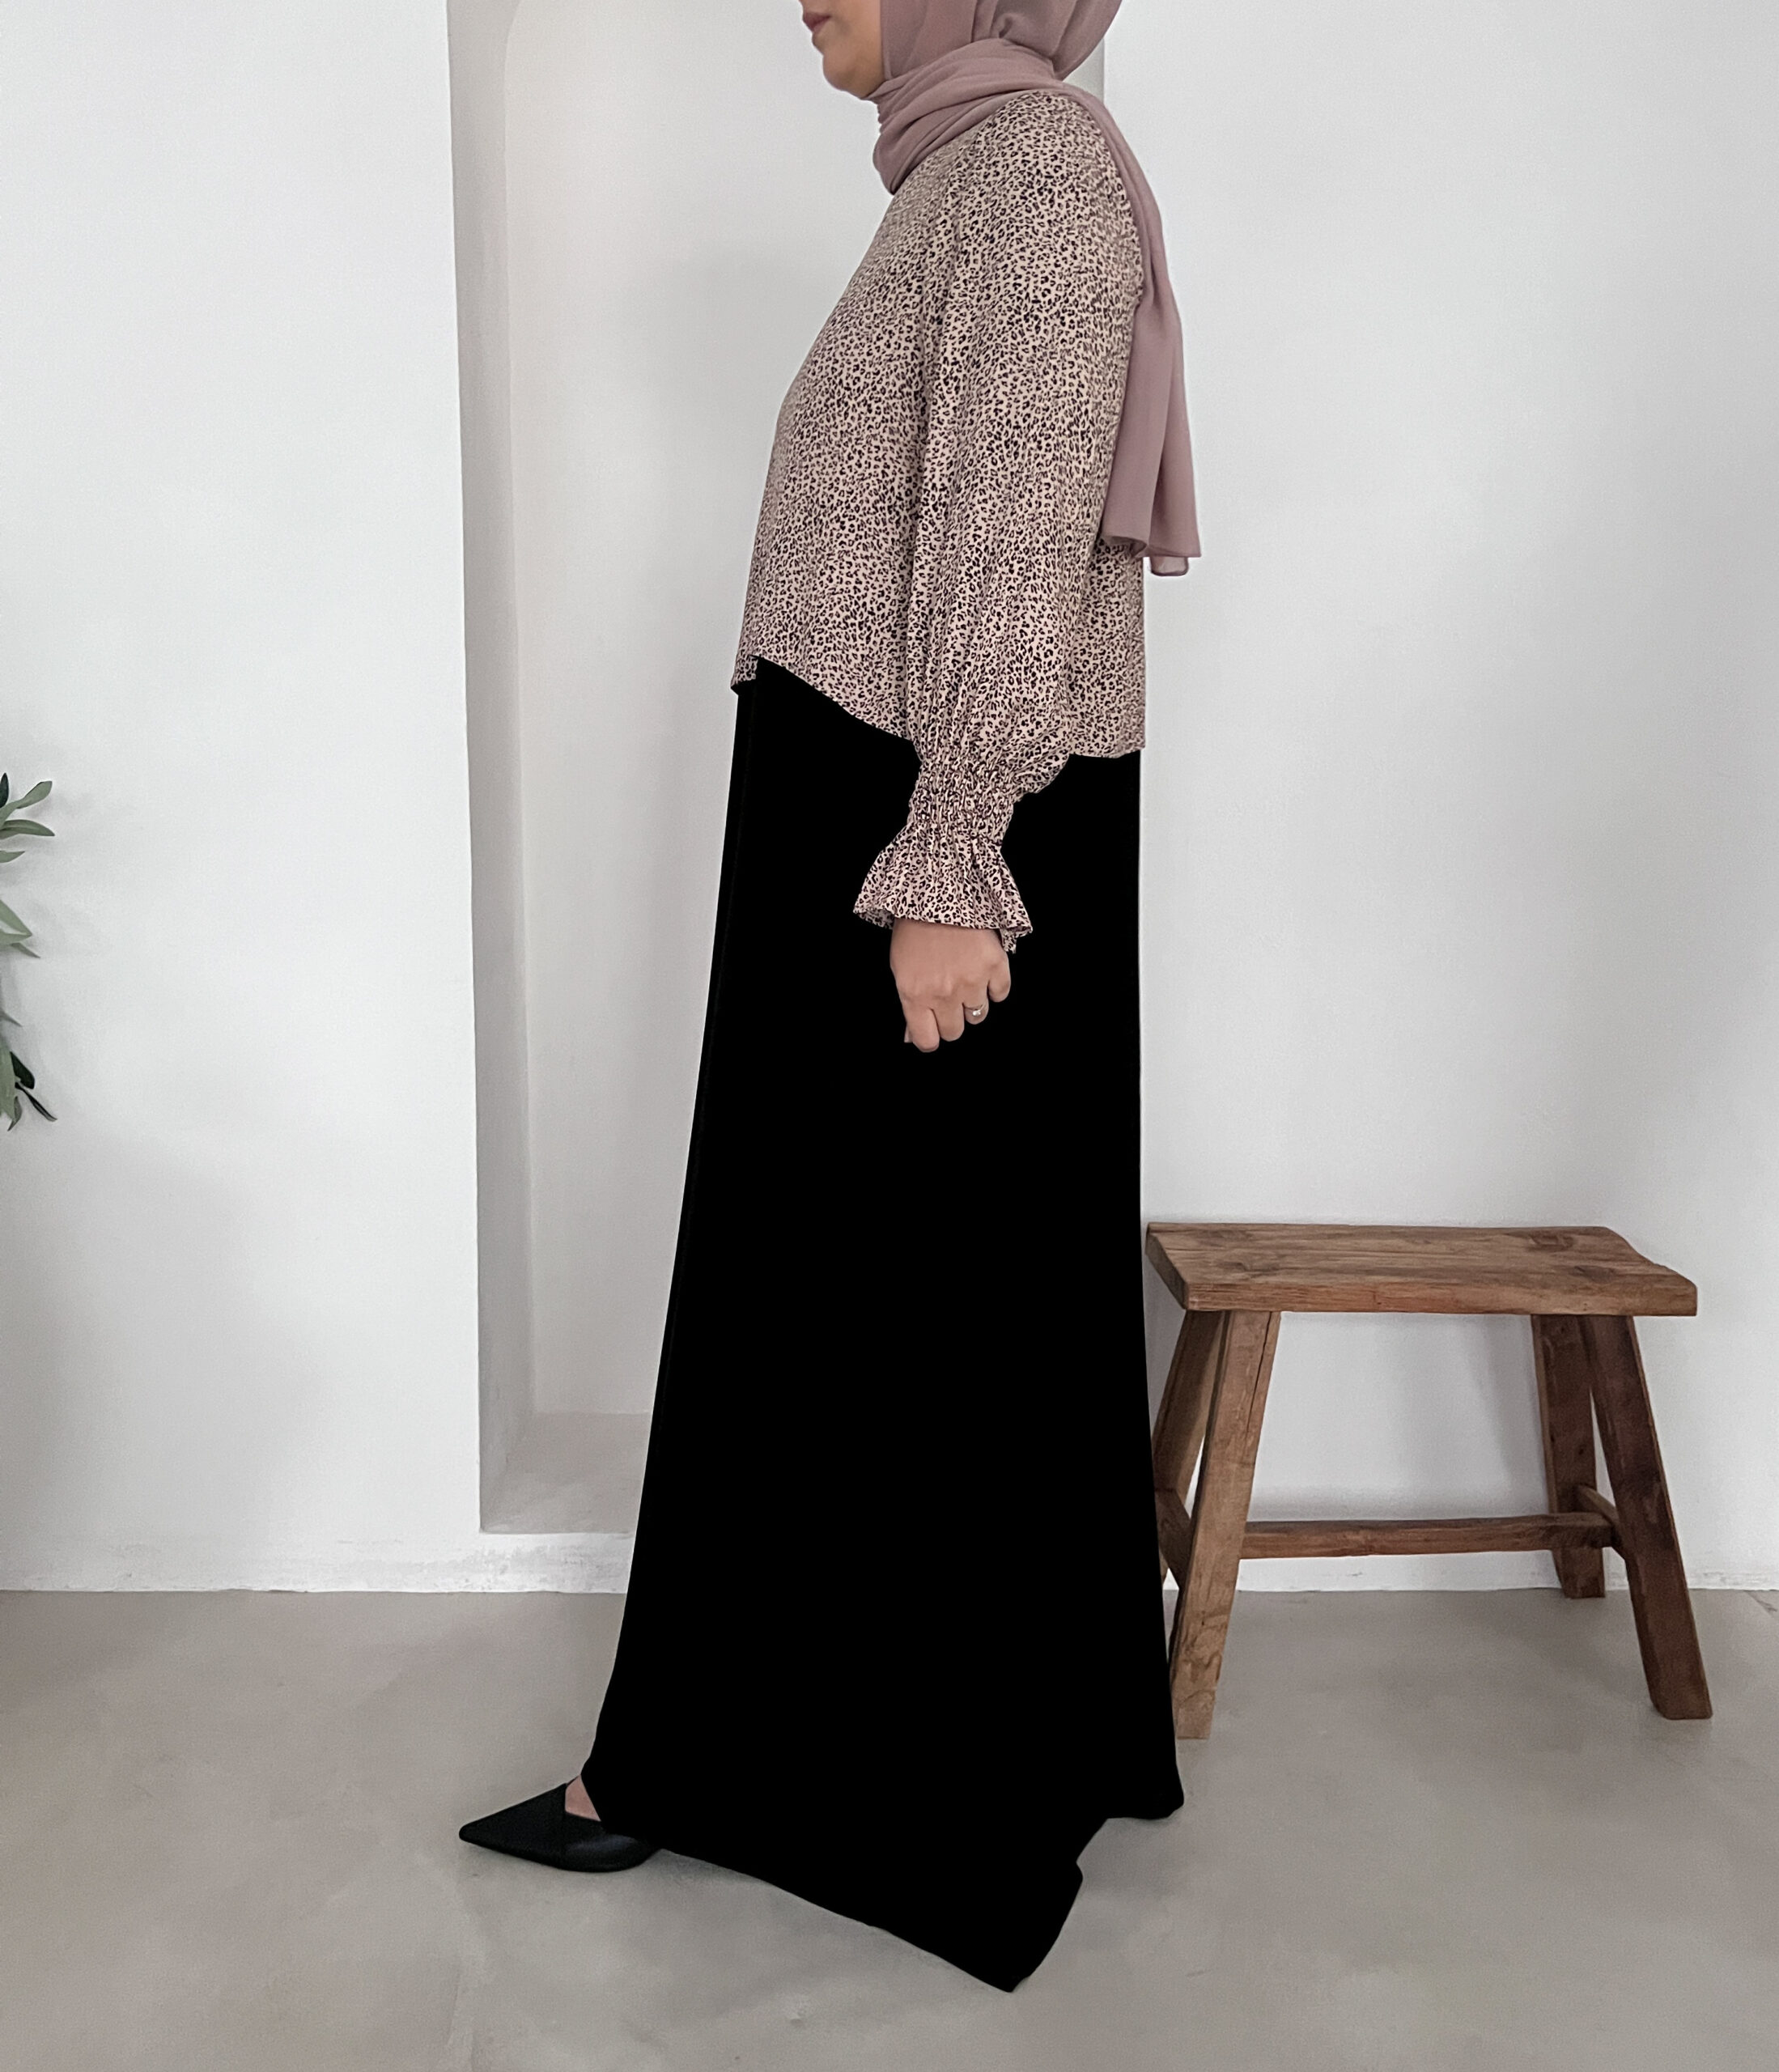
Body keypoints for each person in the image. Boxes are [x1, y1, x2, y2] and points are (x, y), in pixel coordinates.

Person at [461, 0, 1200, 1991]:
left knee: (848, 1283)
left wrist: (950, 851)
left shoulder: (1031, 172)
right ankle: (962, 1729)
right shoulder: (966, 175)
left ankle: (775, 1768)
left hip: (917, 821)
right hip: (886, 796)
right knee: (904, 1282)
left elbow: (1010, 531)